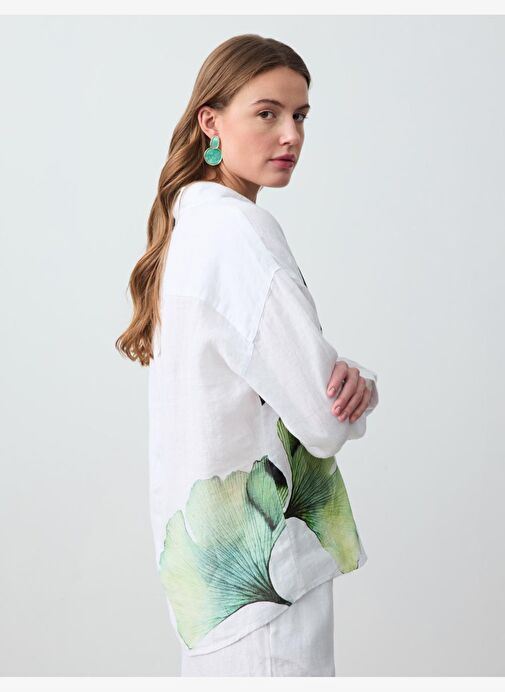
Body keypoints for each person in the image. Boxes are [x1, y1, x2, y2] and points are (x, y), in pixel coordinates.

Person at [116, 33, 379, 677]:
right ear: (211, 122)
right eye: (267, 113)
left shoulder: (193, 226)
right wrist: (361, 387)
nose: (291, 135)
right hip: (267, 595)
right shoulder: (238, 232)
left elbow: (270, 374)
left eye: (301, 115)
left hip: (214, 594)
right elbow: (323, 419)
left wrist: (339, 375)